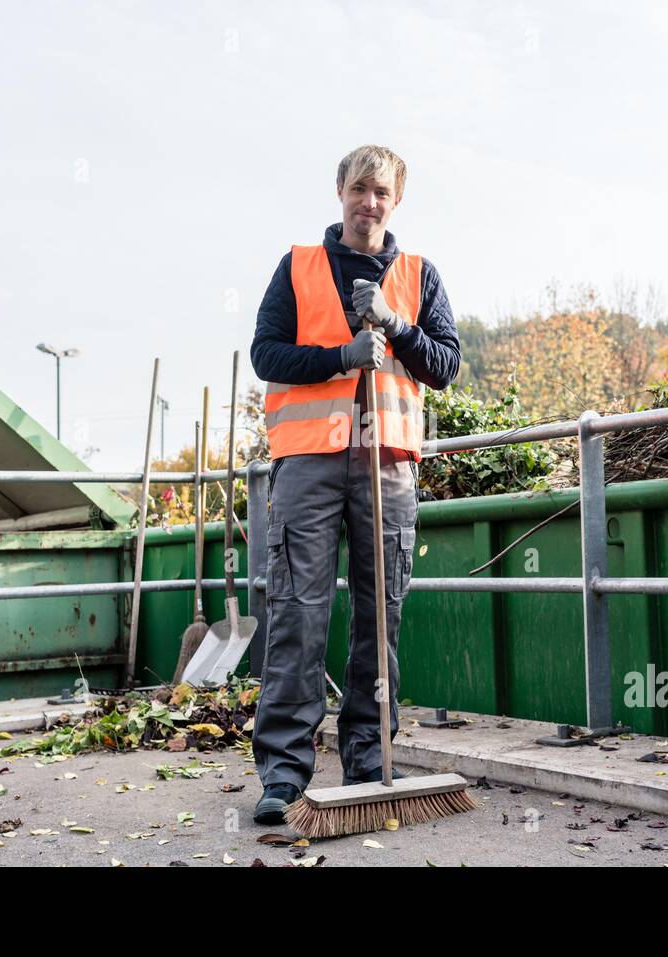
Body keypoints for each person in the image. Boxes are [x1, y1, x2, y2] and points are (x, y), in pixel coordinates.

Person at [248, 144, 461, 824]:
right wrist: (342, 354)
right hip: (308, 463)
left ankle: (369, 758)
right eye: (359, 188)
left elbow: (446, 364)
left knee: (381, 615)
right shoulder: (299, 268)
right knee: (297, 612)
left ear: (396, 201)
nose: (370, 201)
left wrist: (396, 327)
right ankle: (283, 772)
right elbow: (266, 353)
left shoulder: (419, 276)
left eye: (383, 192)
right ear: (340, 191)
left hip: (387, 465)